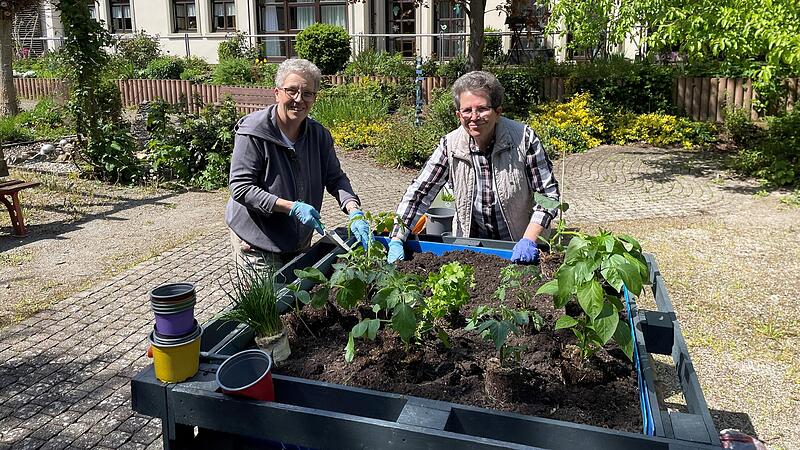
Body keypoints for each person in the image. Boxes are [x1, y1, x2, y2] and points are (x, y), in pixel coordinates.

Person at [387, 70, 559, 265]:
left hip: (519, 247)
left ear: (498, 112)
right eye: (467, 110)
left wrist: (529, 240)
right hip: (470, 250)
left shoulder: (523, 140)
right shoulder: (450, 146)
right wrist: (396, 238)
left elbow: (548, 196)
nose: (474, 117)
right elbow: (420, 193)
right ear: (458, 114)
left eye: (482, 109)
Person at [226, 58, 372, 273]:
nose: (298, 99)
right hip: (258, 243)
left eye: (307, 93)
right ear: (277, 93)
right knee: (268, 305)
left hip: (298, 240)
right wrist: (291, 207)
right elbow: (241, 187)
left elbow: (335, 177)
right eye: (291, 91)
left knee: (295, 301)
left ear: (314, 97)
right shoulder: (254, 132)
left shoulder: (318, 135)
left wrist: (354, 210)